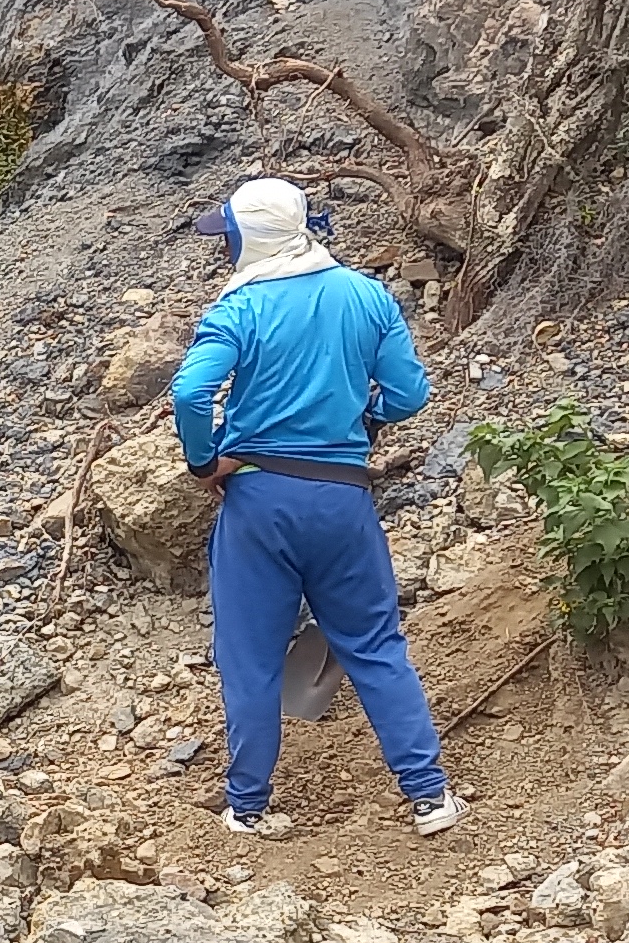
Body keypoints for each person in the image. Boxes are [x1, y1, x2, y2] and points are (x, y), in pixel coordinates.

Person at [171, 177, 468, 841]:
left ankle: (248, 807)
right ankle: (429, 797)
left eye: (229, 236)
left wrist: (204, 461)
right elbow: (410, 394)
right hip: (341, 498)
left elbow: (190, 392)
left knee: (250, 660)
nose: (225, 248)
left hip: (259, 503)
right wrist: (364, 420)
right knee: (375, 645)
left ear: (251, 238)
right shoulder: (367, 295)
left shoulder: (239, 308)